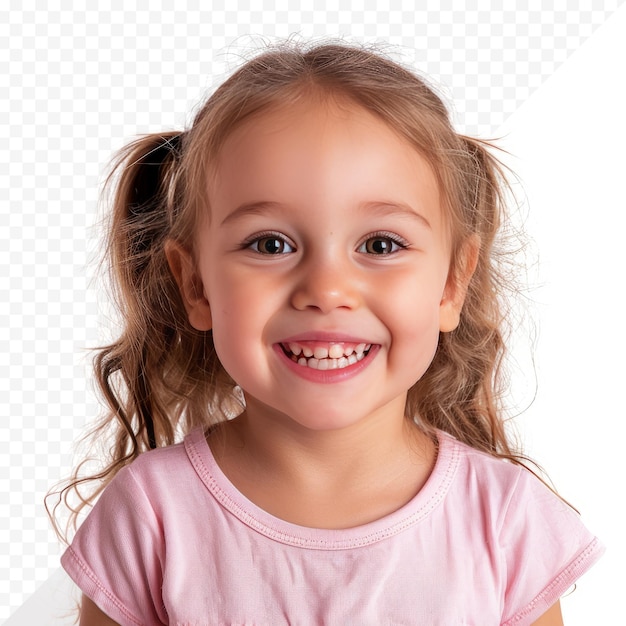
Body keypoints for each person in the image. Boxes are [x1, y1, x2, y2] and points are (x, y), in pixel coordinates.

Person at [49, 41, 604, 625]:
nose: (326, 288)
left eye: (380, 245)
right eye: (270, 244)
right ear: (196, 285)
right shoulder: (149, 516)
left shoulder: (507, 523)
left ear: (451, 284)